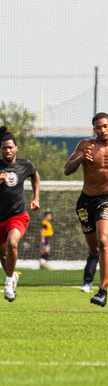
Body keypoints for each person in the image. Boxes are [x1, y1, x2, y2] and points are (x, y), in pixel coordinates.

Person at [64, 112, 108, 307]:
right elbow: (67, 169)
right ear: (94, 129)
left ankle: (102, 291)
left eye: (105, 126)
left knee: (103, 241)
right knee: (94, 248)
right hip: (85, 202)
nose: (102, 130)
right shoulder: (85, 145)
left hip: (107, 199)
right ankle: (92, 279)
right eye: (98, 127)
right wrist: (80, 159)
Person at [0, 127, 41, 303]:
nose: (8, 150)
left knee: (12, 243)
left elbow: (35, 175)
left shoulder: (25, 165)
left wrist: (36, 197)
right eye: (4, 148)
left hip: (17, 215)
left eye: (10, 147)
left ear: (16, 148)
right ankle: (13, 276)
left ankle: (8, 283)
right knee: (3, 256)